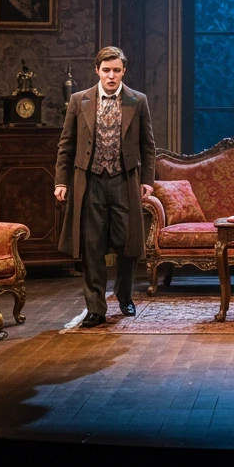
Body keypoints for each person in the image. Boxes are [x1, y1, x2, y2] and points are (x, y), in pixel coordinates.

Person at [54, 46, 155, 328]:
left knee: (127, 244)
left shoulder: (137, 100)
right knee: (92, 246)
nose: (111, 76)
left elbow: (148, 145)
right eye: (106, 70)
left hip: (124, 180)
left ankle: (124, 296)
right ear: (97, 70)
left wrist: (147, 180)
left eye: (116, 70)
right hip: (90, 181)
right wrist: (61, 180)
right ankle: (95, 308)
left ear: (124, 72)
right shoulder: (79, 100)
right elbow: (66, 144)